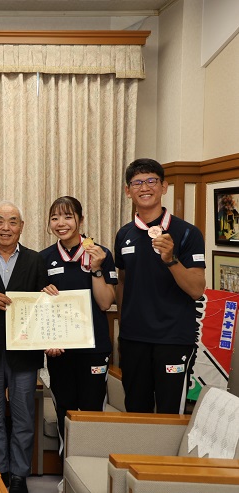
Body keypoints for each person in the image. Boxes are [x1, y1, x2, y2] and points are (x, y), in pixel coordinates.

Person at [115, 158, 206, 414]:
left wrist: (171, 260)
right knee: (135, 410)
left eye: (152, 181)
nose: (145, 187)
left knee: (169, 414)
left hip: (173, 338)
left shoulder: (187, 233)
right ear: (128, 190)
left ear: (164, 187)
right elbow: (123, 282)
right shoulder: (124, 234)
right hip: (133, 339)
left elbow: (197, 289)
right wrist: (124, 327)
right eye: (137, 182)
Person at [0, 201, 47, 493]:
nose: (6, 227)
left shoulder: (35, 260)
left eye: (13, 221)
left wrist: (49, 295)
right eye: (0, 221)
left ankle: (18, 475)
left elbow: (43, 306)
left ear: (22, 227)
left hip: (25, 353)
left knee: (23, 417)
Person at [39, 196, 117, 450]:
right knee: (64, 408)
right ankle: (67, 469)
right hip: (60, 350)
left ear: (80, 220)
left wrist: (96, 269)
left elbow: (106, 303)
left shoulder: (100, 253)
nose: (61, 223)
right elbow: (40, 310)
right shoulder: (43, 259)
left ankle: (91, 467)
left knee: (92, 409)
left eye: (68, 216)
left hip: (94, 348)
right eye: (55, 218)